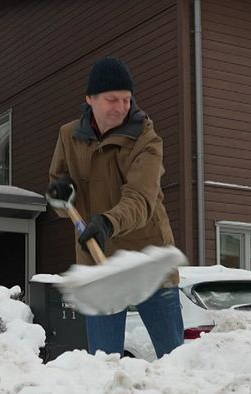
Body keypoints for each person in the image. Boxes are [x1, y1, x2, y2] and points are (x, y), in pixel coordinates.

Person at [45, 57, 184, 358]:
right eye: (112, 99)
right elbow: (59, 192)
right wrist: (59, 193)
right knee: (103, 363)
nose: (121, 107)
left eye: (126, 99)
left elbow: (140, 198)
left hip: (147, 259)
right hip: (100, 267)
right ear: (90, 99)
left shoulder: (146, 139)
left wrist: (107, 223)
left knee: (174, 361)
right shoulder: (69, 136)